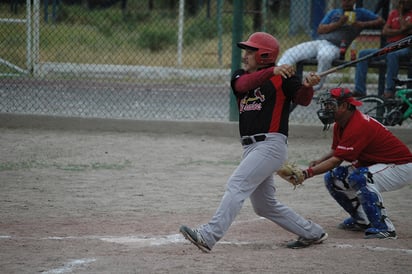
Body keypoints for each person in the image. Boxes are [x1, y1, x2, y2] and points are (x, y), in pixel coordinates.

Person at [179, 32, 327, 251]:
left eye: (251, 51)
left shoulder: (284, 77)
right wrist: (271, 71)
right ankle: (312, 232)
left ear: (265, 55)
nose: (245, 55)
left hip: (271, 145)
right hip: (251, 148)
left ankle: (208, 236)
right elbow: (242, 86)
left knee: (236, 185)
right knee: (265, 206)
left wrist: (308, 86)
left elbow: (303, 100)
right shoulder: (241, 76)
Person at [300, 87, 412, 239]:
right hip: (380, 164)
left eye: (330, 104)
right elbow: (336, 151)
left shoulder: (358, 125)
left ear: (345, 106)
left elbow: (336, 160)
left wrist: (307, 173)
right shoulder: (341, 123)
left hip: (400, 166)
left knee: (361, 177)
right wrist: (319, 162)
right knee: (333, 177)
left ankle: (384, 228)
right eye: (326, 105)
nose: (326, 108)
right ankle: (362, 220)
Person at [277, 0, 384, 91]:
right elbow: (320, 29)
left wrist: (362, 24)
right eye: (344, 0)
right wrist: (339, 23)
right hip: (319, 42)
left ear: (354, 1)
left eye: (349, 0)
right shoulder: (335, 13)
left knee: (325, 55)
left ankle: (314, 86)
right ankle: (276, 76)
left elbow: (381, 21)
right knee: (291, 52)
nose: (346, 2)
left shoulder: (360, 13)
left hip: (336, 46)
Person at [354, 0, 412, 98]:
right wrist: (401, 31)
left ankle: (390, 90)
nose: (405, 3)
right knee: (363, 54)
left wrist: (401, 14)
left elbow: (405, 26)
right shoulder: (393, 13)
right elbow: (385, 31)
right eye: (403, 1)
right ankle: (359, 90)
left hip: (404, 47)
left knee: (392, 54)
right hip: (389, 46)